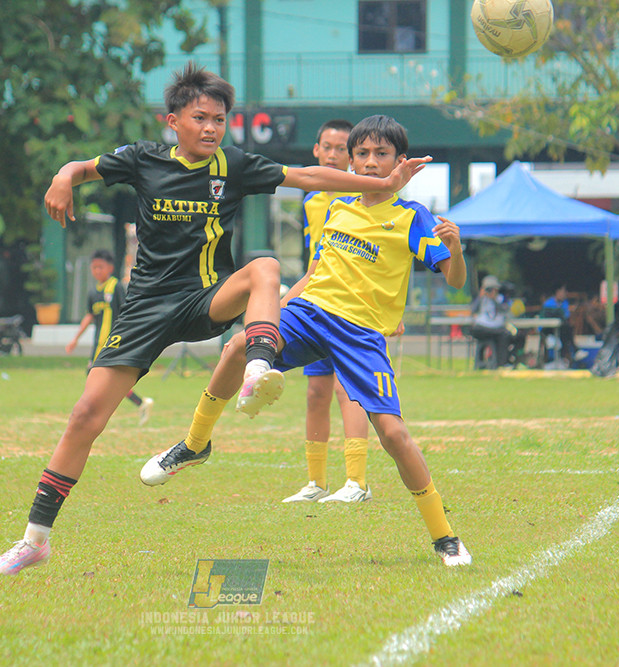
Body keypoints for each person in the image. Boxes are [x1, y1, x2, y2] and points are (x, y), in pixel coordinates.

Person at [0, 65, 430, 575]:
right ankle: (35, 540)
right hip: (146, 307)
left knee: (263, 267)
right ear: (172, 120)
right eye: (200, 118)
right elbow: (82, 168)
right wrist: (64, 175)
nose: (212, 128)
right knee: (85, 416)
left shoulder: (233, 165)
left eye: (219, 119)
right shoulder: (141, 159)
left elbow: (305, 177)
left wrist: (384, 181)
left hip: (207, 300)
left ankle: (259, 366)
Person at [141, 114, 472, 566]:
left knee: (393, 434)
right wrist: (274, 312)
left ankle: (444, 536)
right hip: (310, 312)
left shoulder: (411, 216)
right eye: (362, 154)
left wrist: (455, 251)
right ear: (351, 161)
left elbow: (453, 282)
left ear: (399, 160)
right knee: (239, 347)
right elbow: (317, 272)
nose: (371, 163)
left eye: (382, 154)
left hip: (359, 335)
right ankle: (195, 443)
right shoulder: (338, 206)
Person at [284, 119, 373, 505]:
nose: (335, 154)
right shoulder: (311, 198)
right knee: (316, 392)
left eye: (343, 149)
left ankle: (357, 482)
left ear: (352, 158)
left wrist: (287, 300)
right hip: (317, 302)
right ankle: (316, 483)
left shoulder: (363, 198)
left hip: (352, 305)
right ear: (316, 152)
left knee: (346, 389)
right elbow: (316, 261)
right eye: (328, 147)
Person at [65, 249, 153, 426]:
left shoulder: (116, 287)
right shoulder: (93, 292)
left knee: (96, 377)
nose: (97, 270)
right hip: (98, 344)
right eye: (94, 267)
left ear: (110, 268)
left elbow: (126, 311)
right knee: (104, 379)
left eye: (100, 267)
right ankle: (140, 403)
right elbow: (89, 316)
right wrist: (75, 339)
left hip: (111, 342)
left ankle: (92, 412)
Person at [470, 275, 510, 369]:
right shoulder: (480, 299)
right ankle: (480, 364)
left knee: (504, 335)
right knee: (499, 334)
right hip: (482, 328)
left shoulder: (500, 298)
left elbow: (504, 310)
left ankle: (501, 364)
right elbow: (473, 310)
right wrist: (480, 297)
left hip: (495, 328)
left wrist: (494, 299)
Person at [540, 283, 575, 366]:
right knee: (566, 331)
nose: (565, 293)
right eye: (563, 291)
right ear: (558, 292)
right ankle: (572, 352)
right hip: (547, 329)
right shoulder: (548, 303)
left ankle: (565, 358)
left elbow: (566, 317)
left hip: (561, 329)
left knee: (566, 330)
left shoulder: (565, 303)